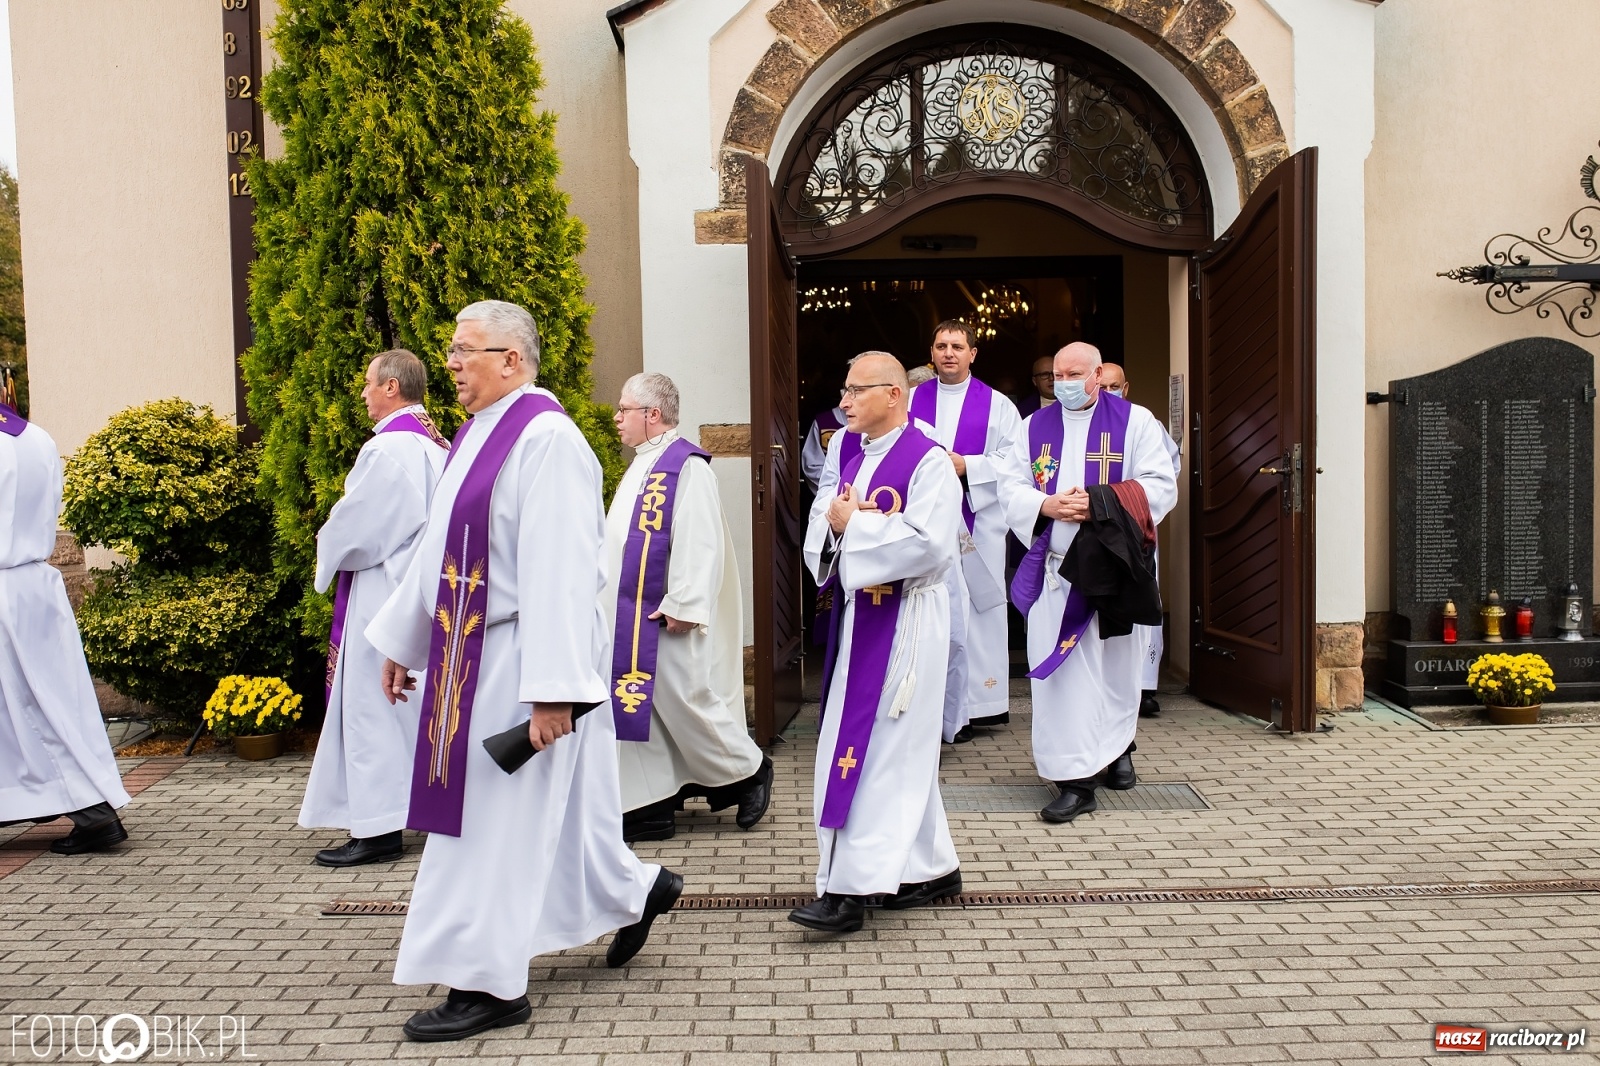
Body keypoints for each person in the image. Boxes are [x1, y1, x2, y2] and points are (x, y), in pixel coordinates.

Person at [366, 300, 682, 1041]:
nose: (451, 363)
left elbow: (563, 572)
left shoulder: (548, 441)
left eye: (465, 349)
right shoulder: (478, 434)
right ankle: (635, 891)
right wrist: (404, 641)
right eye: (451, 349)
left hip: (520, 661)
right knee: (542, 817)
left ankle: (487, 984)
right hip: (471, 654)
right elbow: (440, 550)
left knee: (491, 823)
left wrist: (554, 691)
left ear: (512, 360)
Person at [793, 352, 963, 934]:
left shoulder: (929, 459)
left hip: (907, 618)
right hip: (860, 615)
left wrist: (857, 525)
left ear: (893, 394)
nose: (843, 402)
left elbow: (932, 546)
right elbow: (823, 524)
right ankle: (933, 867)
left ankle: (851, 890)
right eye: (844, 390)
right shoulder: (847, 451)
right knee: (895, 748)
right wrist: (837, 528)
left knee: (880, 752)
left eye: (856, 391)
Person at [1000, 343, 1178, 824]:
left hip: (1114, 569)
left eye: (1074, 374)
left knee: (1117, 671)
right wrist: (1045, 505)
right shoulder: (1033, 427)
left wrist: (1098, 502)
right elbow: (1009, 486)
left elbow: (1161, 484)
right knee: (1064, 680)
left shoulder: (1136, 422)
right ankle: (1075, 780)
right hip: (1058, 574)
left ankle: (1117, 749)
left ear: (1098, 375)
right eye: (1057, 375)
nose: (1064, 383)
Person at [605, 371, 771, 842]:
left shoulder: (686, 466)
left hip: (665, 613)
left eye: (624, 409)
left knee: (683, 700)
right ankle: (648, 803)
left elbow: (700, 540)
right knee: (640, 707)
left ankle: (749, 770)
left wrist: (685, 602)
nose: (617, 417)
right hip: (632, 612)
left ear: (652, 414)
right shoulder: (643, 462)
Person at [299, 350, 448, 866]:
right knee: (405, 709)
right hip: (418, 591)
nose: (362, 393)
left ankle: (379, 828)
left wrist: (327, 542)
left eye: (367, 383)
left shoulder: (389, 448)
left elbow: (362, 527)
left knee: (373, 707)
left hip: (384, 593)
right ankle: (413, 808)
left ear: (391, 386)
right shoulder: (438, 443)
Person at [0, 400, 131, 853]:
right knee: (48, 703)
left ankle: (93, 813)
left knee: (31, 709)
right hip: (34, 585)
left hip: (4, 586)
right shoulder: (36, 438)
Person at [908, 320, 1027, 742]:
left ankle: (980, 705)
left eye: (957, 346)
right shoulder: (910, 400)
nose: (949, 353)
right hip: (925, 522)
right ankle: (933, 707)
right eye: (941, 346)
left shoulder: (998, 405)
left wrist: (967, 465)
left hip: (979, 524)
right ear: (931, 352)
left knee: (980, 608)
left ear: (973, 353)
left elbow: (1016, 461)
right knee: (932, 608)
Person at [1097, 362, 1182, 719]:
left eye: (1114, 387)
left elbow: (1168, 471)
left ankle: (1145, 685)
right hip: (1092, 528)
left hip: (1135, 528)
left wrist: (1131, 499)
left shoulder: (1144, 423)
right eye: (1102, 387)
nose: (1108, 393)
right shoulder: (1080, 425)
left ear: (1126, 388)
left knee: (1143, 596)